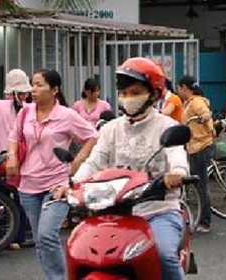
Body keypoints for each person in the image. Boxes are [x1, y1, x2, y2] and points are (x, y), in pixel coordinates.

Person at [73, 57, 189, 280]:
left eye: (135, 92)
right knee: (80, 251)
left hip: (159, 210)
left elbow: (177, 155)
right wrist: (72, 184)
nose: (128, 98)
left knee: (163, 254)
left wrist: (177, 174)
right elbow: (95, 162)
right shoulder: (111, 129)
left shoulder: (167, 126)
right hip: (113, 212)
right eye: (124, 93)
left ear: (154, 94)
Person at [6, 69, 98, 280]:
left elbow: (92, 137)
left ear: (54, 89)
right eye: (33, 84)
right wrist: (11, 155)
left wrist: (76, 162)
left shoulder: (66, 115)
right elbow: (14, 136)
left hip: (56, 184)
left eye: (39, 85)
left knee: (47, 235)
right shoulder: (25, 112)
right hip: (28, 184)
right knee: (40, 240)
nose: (33, 89)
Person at [0, 69, 32, 250]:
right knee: (18, 197)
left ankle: (2, 235)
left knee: (1, 196)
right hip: (20, 157)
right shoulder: (28, 108)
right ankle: (16, 238)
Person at [177, 75, 213, 233]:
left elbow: (206, 115)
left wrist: (204, 118)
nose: (179, 92)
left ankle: (205, 221)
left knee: (201, 185)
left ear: (184, 88)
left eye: (179, 88)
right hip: (194, 146)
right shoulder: (189, 103)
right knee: (197, 184)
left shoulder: (196, 102)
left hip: (200, 147)